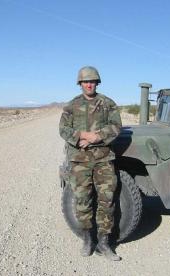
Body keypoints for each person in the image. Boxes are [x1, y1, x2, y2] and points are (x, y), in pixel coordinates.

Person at [59, 66, 122, 261]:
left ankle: (104, 243)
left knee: (107, 200)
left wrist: (96, 137)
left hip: (103, 158)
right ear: (80, 84)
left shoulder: (107, 103)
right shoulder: (71, 106)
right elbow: (63, 129)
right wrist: (82, 137)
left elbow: (116, 126)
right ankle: (88, 240)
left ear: (97, 83)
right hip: (80, 160)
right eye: (85, 81)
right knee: (82, 201)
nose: (89, 84)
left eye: (92, 81)